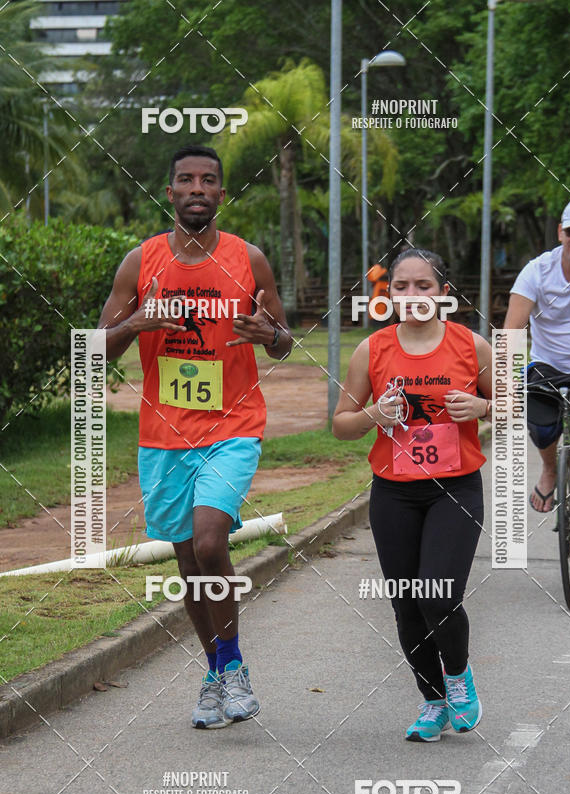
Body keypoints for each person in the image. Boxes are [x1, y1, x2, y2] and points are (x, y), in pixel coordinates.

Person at [97, 145, 292, 728]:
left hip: (233, 426)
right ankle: (217, 672)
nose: (197, 189)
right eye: (186, 180)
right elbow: (94, 350)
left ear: (222, 194)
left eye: (208, 180)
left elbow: (283, 341)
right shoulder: (141, 262)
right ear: (171, 192)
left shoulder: (249, 259)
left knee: (210, 544)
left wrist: (270, 335)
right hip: (164, 435)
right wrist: (135, 322)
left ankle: (232, 668)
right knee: (187, 560)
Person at [332, 248, 492, 742]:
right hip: (394, 494)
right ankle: (432, 701)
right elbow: (340, 425)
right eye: (402, 286)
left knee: (438, 594)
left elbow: (513, 403)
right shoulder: (372, 350)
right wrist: (374, 415)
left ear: (444, 293)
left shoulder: (472, 346)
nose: (413, 295)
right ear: (389, 294)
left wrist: (483, 407)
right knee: (406, 603)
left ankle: (458, 677)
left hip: (455, 489)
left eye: (424, 286)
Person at [504, 198, 570, 563]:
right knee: (543, 427)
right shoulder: (537, 271)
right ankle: (548, 467)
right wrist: (507, 384)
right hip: (548, 367)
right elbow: (512, 330)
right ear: (560, 232)